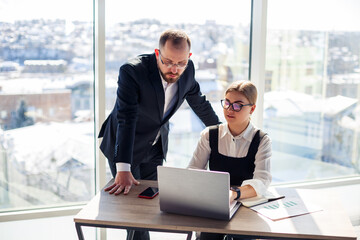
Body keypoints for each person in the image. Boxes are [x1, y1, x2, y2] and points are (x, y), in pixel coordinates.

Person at [98, 29, 219, 240]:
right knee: (134, 214)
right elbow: (126, 119)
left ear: (189, 58)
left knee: (150, 205)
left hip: (155, 145)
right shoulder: (132, 71)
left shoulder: (187, 70)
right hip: (126, 145)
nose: (175, 69)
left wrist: (222, 133)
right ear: (157, 53)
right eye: (168, 61)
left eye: (181, 63)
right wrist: (123, 167)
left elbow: (200, 104)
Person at [188, 80, 272, 240]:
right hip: (215, 205)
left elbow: (262, 181)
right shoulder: (209, 135)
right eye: (227, 103)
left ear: (252, 109)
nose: (229, 109)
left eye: (238, 105)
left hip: (247, 207)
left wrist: (233, 194)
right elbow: (193, 171)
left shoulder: (262, 140)